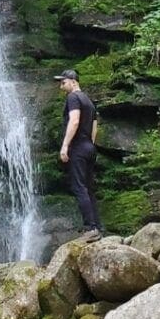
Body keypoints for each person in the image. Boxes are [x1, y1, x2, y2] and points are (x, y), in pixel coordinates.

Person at [55, 69, 103, 239]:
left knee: (79, 187)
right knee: (89, 188)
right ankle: (98, 227)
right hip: (89, 147)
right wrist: (89, 144)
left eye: (63, 82)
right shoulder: (89, 101)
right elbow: (94, 126)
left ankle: (90, 228)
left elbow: (74, 121)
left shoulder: (73, 97)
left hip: (78, 148)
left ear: (73, 81)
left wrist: (65, 146)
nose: (61, 86)